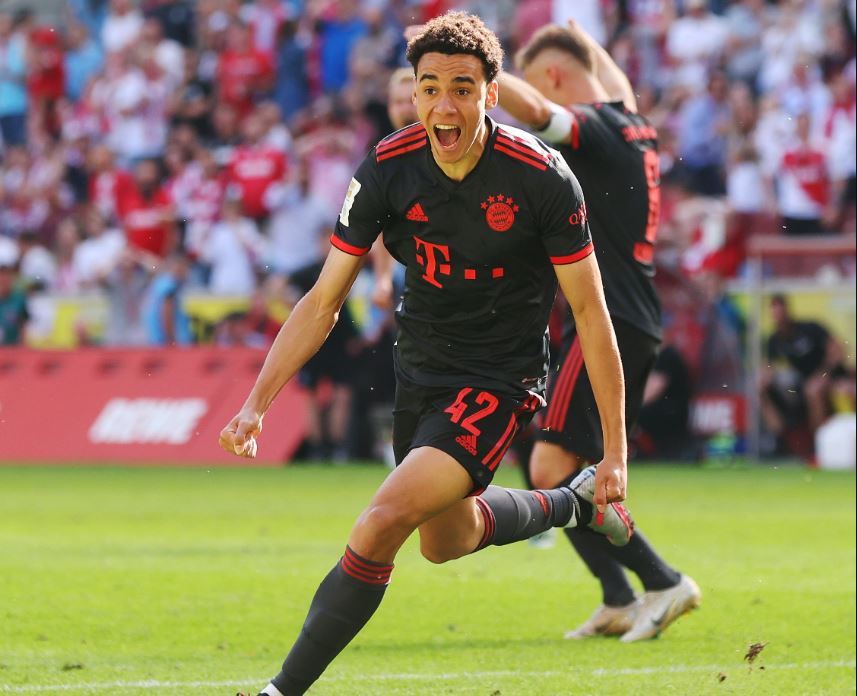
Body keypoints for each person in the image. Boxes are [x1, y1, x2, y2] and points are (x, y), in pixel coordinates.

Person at [221, 13, 634, 696]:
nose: (445, 105)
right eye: (430, 88)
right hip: (419, 371)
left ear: (491, 94)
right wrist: (255, 404)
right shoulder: (387, 168)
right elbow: (323, 299)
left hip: (499, 379)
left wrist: (615, 451)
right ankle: (574, 504)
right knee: (446, 540)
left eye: (462, 89)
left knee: (381, 521)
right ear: (413, 93)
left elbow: (591, 314)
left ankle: (279, 690)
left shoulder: (541, 178)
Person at [495, 21, 700, 642]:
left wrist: (472, 66)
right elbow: (607, 77)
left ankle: (664, 581)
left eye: (539, 80)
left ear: (555, 77)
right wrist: (580, 37)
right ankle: (617, 596)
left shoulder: (595, 129)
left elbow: (537, 110)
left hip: (603, 322)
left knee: (548, 470)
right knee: (570, 469)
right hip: (634, 319)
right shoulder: (632, 124)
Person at [760, 294, 855, 456]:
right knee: (761, 389)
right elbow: (769, 365)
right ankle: (779, 440)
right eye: (774, 312)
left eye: (781, 310)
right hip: (802, 385)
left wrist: (822, 375)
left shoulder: (810, 328)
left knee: (813, 390)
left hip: (832, 377)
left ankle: (820, 447)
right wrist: (764, 376)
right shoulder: (774, 340)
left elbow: (838, 351)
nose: (778, 316)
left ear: (787, 311)